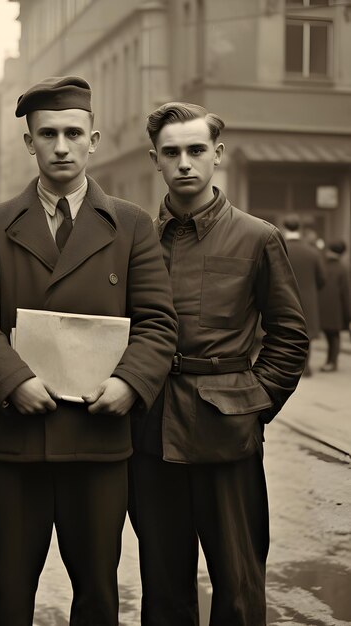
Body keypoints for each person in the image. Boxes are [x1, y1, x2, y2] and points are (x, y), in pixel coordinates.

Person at [0, 76, 178, 625]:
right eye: (46, 133)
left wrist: (128, 384)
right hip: (17, 443)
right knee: (9, 592)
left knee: (98, 592)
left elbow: (158, 323)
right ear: (28, 142)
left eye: (73, 133)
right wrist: (12, 382)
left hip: (98, 443)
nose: (60, 146)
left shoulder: (131, 226)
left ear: (93, 139)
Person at [129, 102, 308, 626]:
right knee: (162, 589)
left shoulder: (257, 237)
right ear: (155, 160)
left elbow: (290, 335)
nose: (184, 162)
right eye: (171, 152)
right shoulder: (134, 238)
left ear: (218, 155)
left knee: (238, 585)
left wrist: (252, 407)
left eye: (196, 150)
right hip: (150, 433)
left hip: (227, 436)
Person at [282, 214, 325, 376]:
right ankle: (305, 367)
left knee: (283, 332)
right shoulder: (312, 252)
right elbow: (322, 278)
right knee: (306, 335)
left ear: (284, 227)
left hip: (283, 296)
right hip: (308, 298)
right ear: (299, 228)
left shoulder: (279, 247)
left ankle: (287, 367)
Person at [318, 240, 350, 371]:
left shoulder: (323, 264)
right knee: (334, 336)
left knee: (330, 336)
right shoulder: (342, 268)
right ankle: (332, 362)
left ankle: (330, 362)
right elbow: (345, 292)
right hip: (336, 308)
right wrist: (348, 313)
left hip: (322, 306)